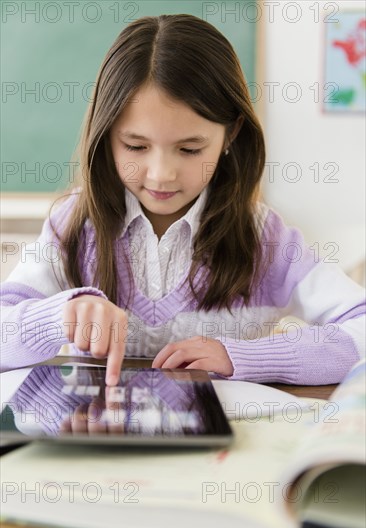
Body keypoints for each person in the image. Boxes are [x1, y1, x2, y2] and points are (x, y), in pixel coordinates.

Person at [1, 14, 364, 386]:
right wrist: (58, 316)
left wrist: (246, 356)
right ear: (106, 133)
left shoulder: (265, 238)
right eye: (136, 146)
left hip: (230, 442)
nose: (161, 173)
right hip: (98, 440)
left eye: (190, 149)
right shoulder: (74, 223)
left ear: (231, 134)